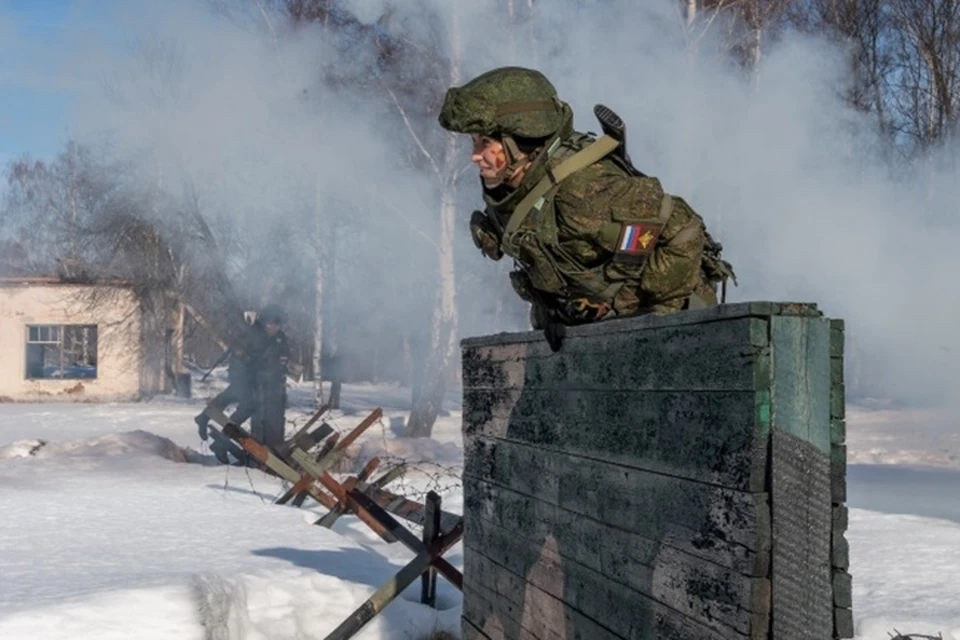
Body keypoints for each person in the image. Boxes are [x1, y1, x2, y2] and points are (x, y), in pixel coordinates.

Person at [437, 66, 736, 349]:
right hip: (606, 336)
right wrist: (555, 314)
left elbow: (682, 226)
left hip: (677, 331)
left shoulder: (580, 190)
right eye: (474, 142)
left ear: (519, 141)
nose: (475, 156)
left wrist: (659, 315)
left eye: (485, 143)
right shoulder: (514, 192)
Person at [248, 304, 291, 449]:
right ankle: (257, 452)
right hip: (258, 385)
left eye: (275, 324)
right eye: (269, 323)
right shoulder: (255, 338)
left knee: (276, 421)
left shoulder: (282, 339)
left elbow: (286, 361)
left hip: (276, 387)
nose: (271, 327)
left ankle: (275, 451)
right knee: (259, 420)